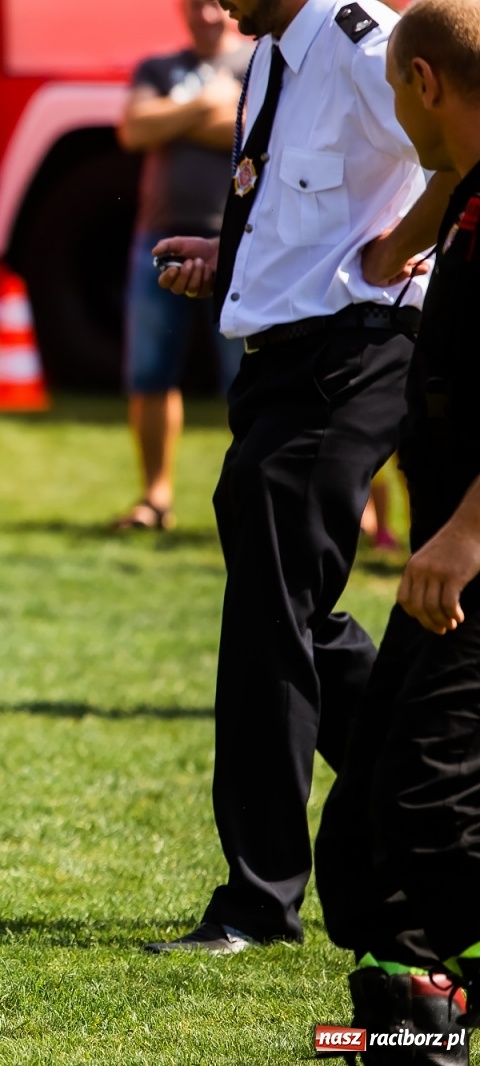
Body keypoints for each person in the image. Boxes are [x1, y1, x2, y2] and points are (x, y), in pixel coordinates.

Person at [145, 0, 460, 954]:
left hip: (353, 356)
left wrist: (403, 248)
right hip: (281, 363)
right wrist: (230, 259)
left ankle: (257, 901)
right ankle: (420, 780)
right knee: (299, 616)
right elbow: (302, 201)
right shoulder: (277, 51)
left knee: (267, 627)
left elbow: (462, 147)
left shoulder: (366, 41)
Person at [313, 1, 480, 1053]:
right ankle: (414, 1018)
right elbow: (446, 192)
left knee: (430, 801)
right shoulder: (468, 186)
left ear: (420, 82)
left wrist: (464, 532)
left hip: (468, 552)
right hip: (445, 563)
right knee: (368, 807)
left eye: (389, 88)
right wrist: (388, 253)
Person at [112, 0, 250, 531]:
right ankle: (155, 497)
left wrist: (173, 116)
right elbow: (134, 130)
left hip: (237, 243)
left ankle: (244, 497)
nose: (209, 15)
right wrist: (205, 106)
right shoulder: (157, 67)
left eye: (218, 4)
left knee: (244, 379)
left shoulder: (258, 62)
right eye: (197, 4)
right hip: (158, 240)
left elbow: (246, 131)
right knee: (149, 373)